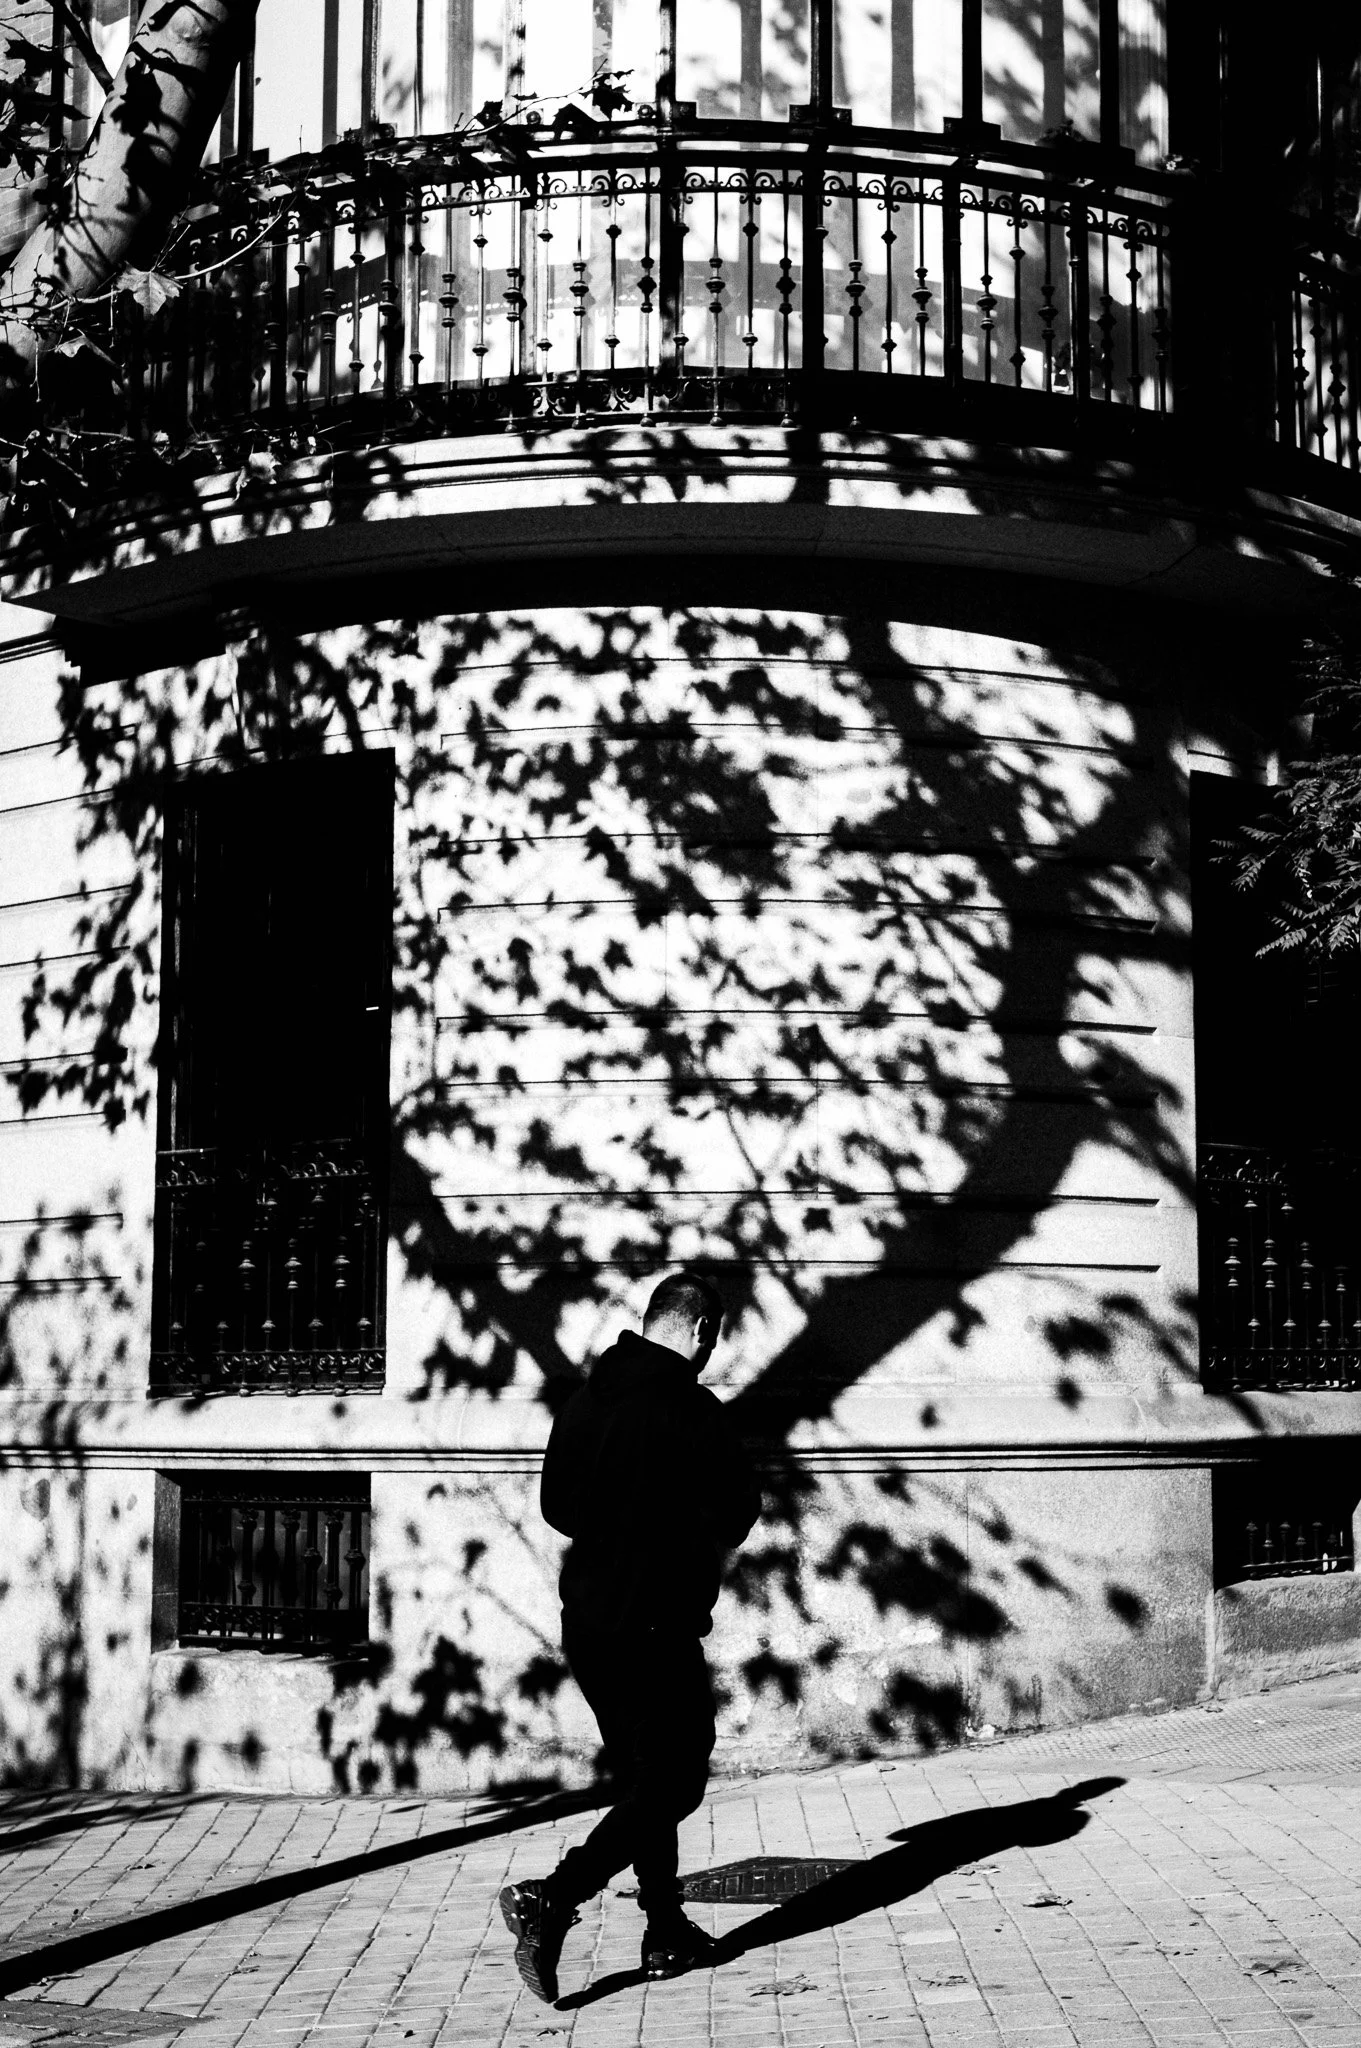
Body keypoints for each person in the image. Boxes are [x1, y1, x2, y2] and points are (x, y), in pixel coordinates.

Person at [499, 1271, 761, 2002]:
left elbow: (557, 1505)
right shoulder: (691, 1408)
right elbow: (738, 1512)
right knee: (675, 1780)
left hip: (588, 1624)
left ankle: (666, 1928)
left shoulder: (584, 1400)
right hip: (655, 1627)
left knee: (647, 1781)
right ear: (701, 1330)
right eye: (713, 1339)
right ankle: (552, 1899)